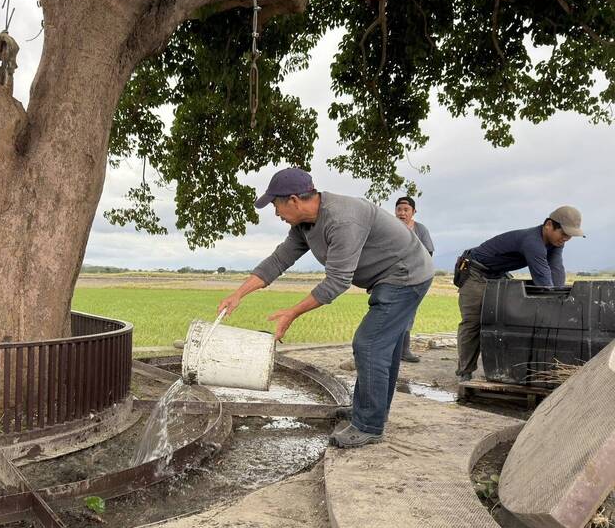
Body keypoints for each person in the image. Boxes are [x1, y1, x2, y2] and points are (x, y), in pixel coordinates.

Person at [218, 167, 434, 448]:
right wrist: (238, 294)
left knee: (369, 344)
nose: (276, 213)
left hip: (407, 275)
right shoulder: (304, 225)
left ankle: (368, 425)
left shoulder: (343, 219)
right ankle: (369, 412)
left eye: (276, 205)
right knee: (384, 347)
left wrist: (291, 313)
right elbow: (279, 260)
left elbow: (338, 281)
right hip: (388, 278)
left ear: (294, 200)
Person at [455, 206, 584, 382]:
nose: (566, 239)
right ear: (548, 225)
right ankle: (465, 371)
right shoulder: (532, 242)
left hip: (497, 275)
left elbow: (556, 270)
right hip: (475, 272)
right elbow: (544, 281)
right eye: (564, 233)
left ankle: (503, 366)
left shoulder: (555, 244)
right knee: (473, 322)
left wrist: (562, 299)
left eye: (570, 236)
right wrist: (557, 308)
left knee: (505, 319)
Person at [394, 195, 434, 363]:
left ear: (413, 212)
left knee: (408, 312)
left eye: (406, 210)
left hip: (415, 276)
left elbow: (429, 251)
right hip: (393, 275)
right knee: (389, 312)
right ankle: (392, 350)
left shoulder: (420, 229)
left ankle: (404, 350)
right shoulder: (391, 227)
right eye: (399, 209)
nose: (402, 213)